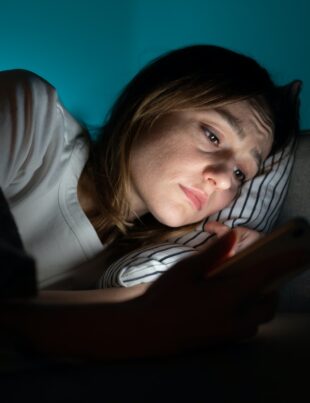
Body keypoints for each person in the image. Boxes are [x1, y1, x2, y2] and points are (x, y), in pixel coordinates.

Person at [0, 44, 300, 359]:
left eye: (241, 173)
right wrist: (140, 316)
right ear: (153, 104)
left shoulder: (126, 270)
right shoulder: (32, 117)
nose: (225, 180)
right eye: (213, 136)